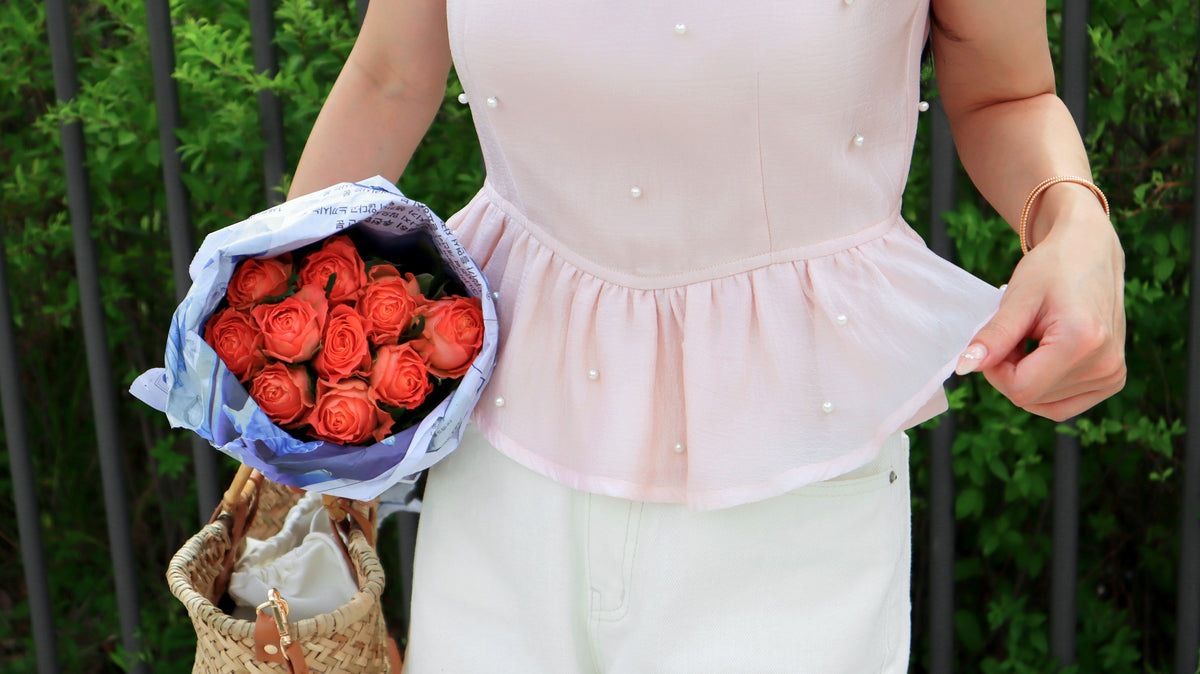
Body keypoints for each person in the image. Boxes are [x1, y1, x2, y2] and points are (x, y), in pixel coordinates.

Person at [288, 0, 1126, 670]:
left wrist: (1073, 221)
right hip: (499, 463)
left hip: (793, 476)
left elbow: (1005, 92)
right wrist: (272, 339)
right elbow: (389, 76)